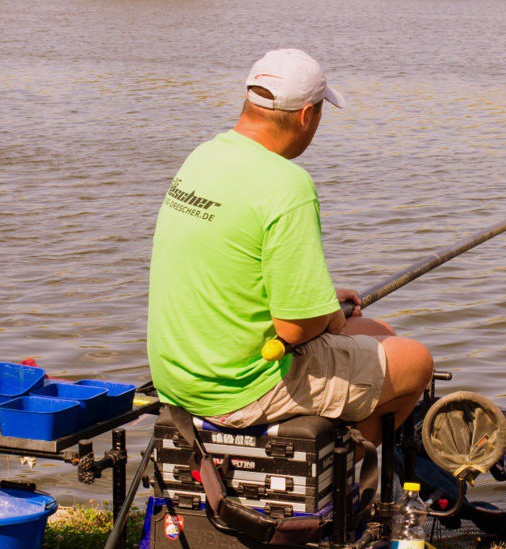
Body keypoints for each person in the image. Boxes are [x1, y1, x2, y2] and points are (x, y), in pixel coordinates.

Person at [147, 48, 432, 446]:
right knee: (416, 362)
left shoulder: (204, 156)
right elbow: (296, 328)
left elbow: (229, 270)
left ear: (250, 100)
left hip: (177, 376)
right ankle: (349, 483)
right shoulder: (287, 184)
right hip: (238, 388)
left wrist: (322, 301)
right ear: (306, 115)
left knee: (378, 331)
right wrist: (326, 318)